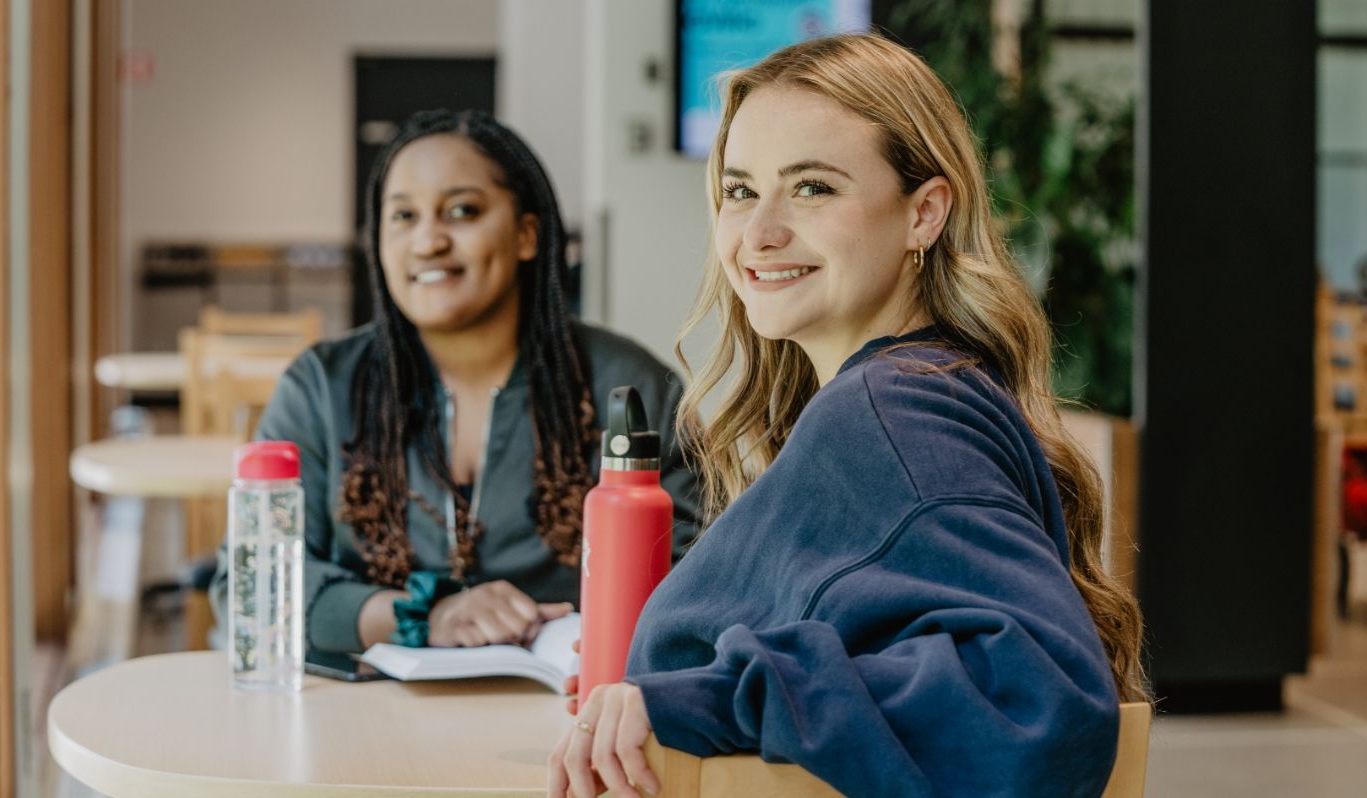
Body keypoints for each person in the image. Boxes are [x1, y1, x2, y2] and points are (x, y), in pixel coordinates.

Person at [548, 34, 1149, 798]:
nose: (757, 233)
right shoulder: (917, 390)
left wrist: (705, 694)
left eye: (811, 189)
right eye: (739, 191)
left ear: (924, 213)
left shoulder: (893, 413)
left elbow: (1036, 698)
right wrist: (675, 680)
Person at [211, 109, 700, 654]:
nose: (427, 242)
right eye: (403, 217)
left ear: (526, 235)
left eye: (461, 211)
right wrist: (425, 614)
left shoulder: (630, 386)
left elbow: (698, 578)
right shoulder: (322, 387)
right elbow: (248, 586)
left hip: (566, 717)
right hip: (362, 718)